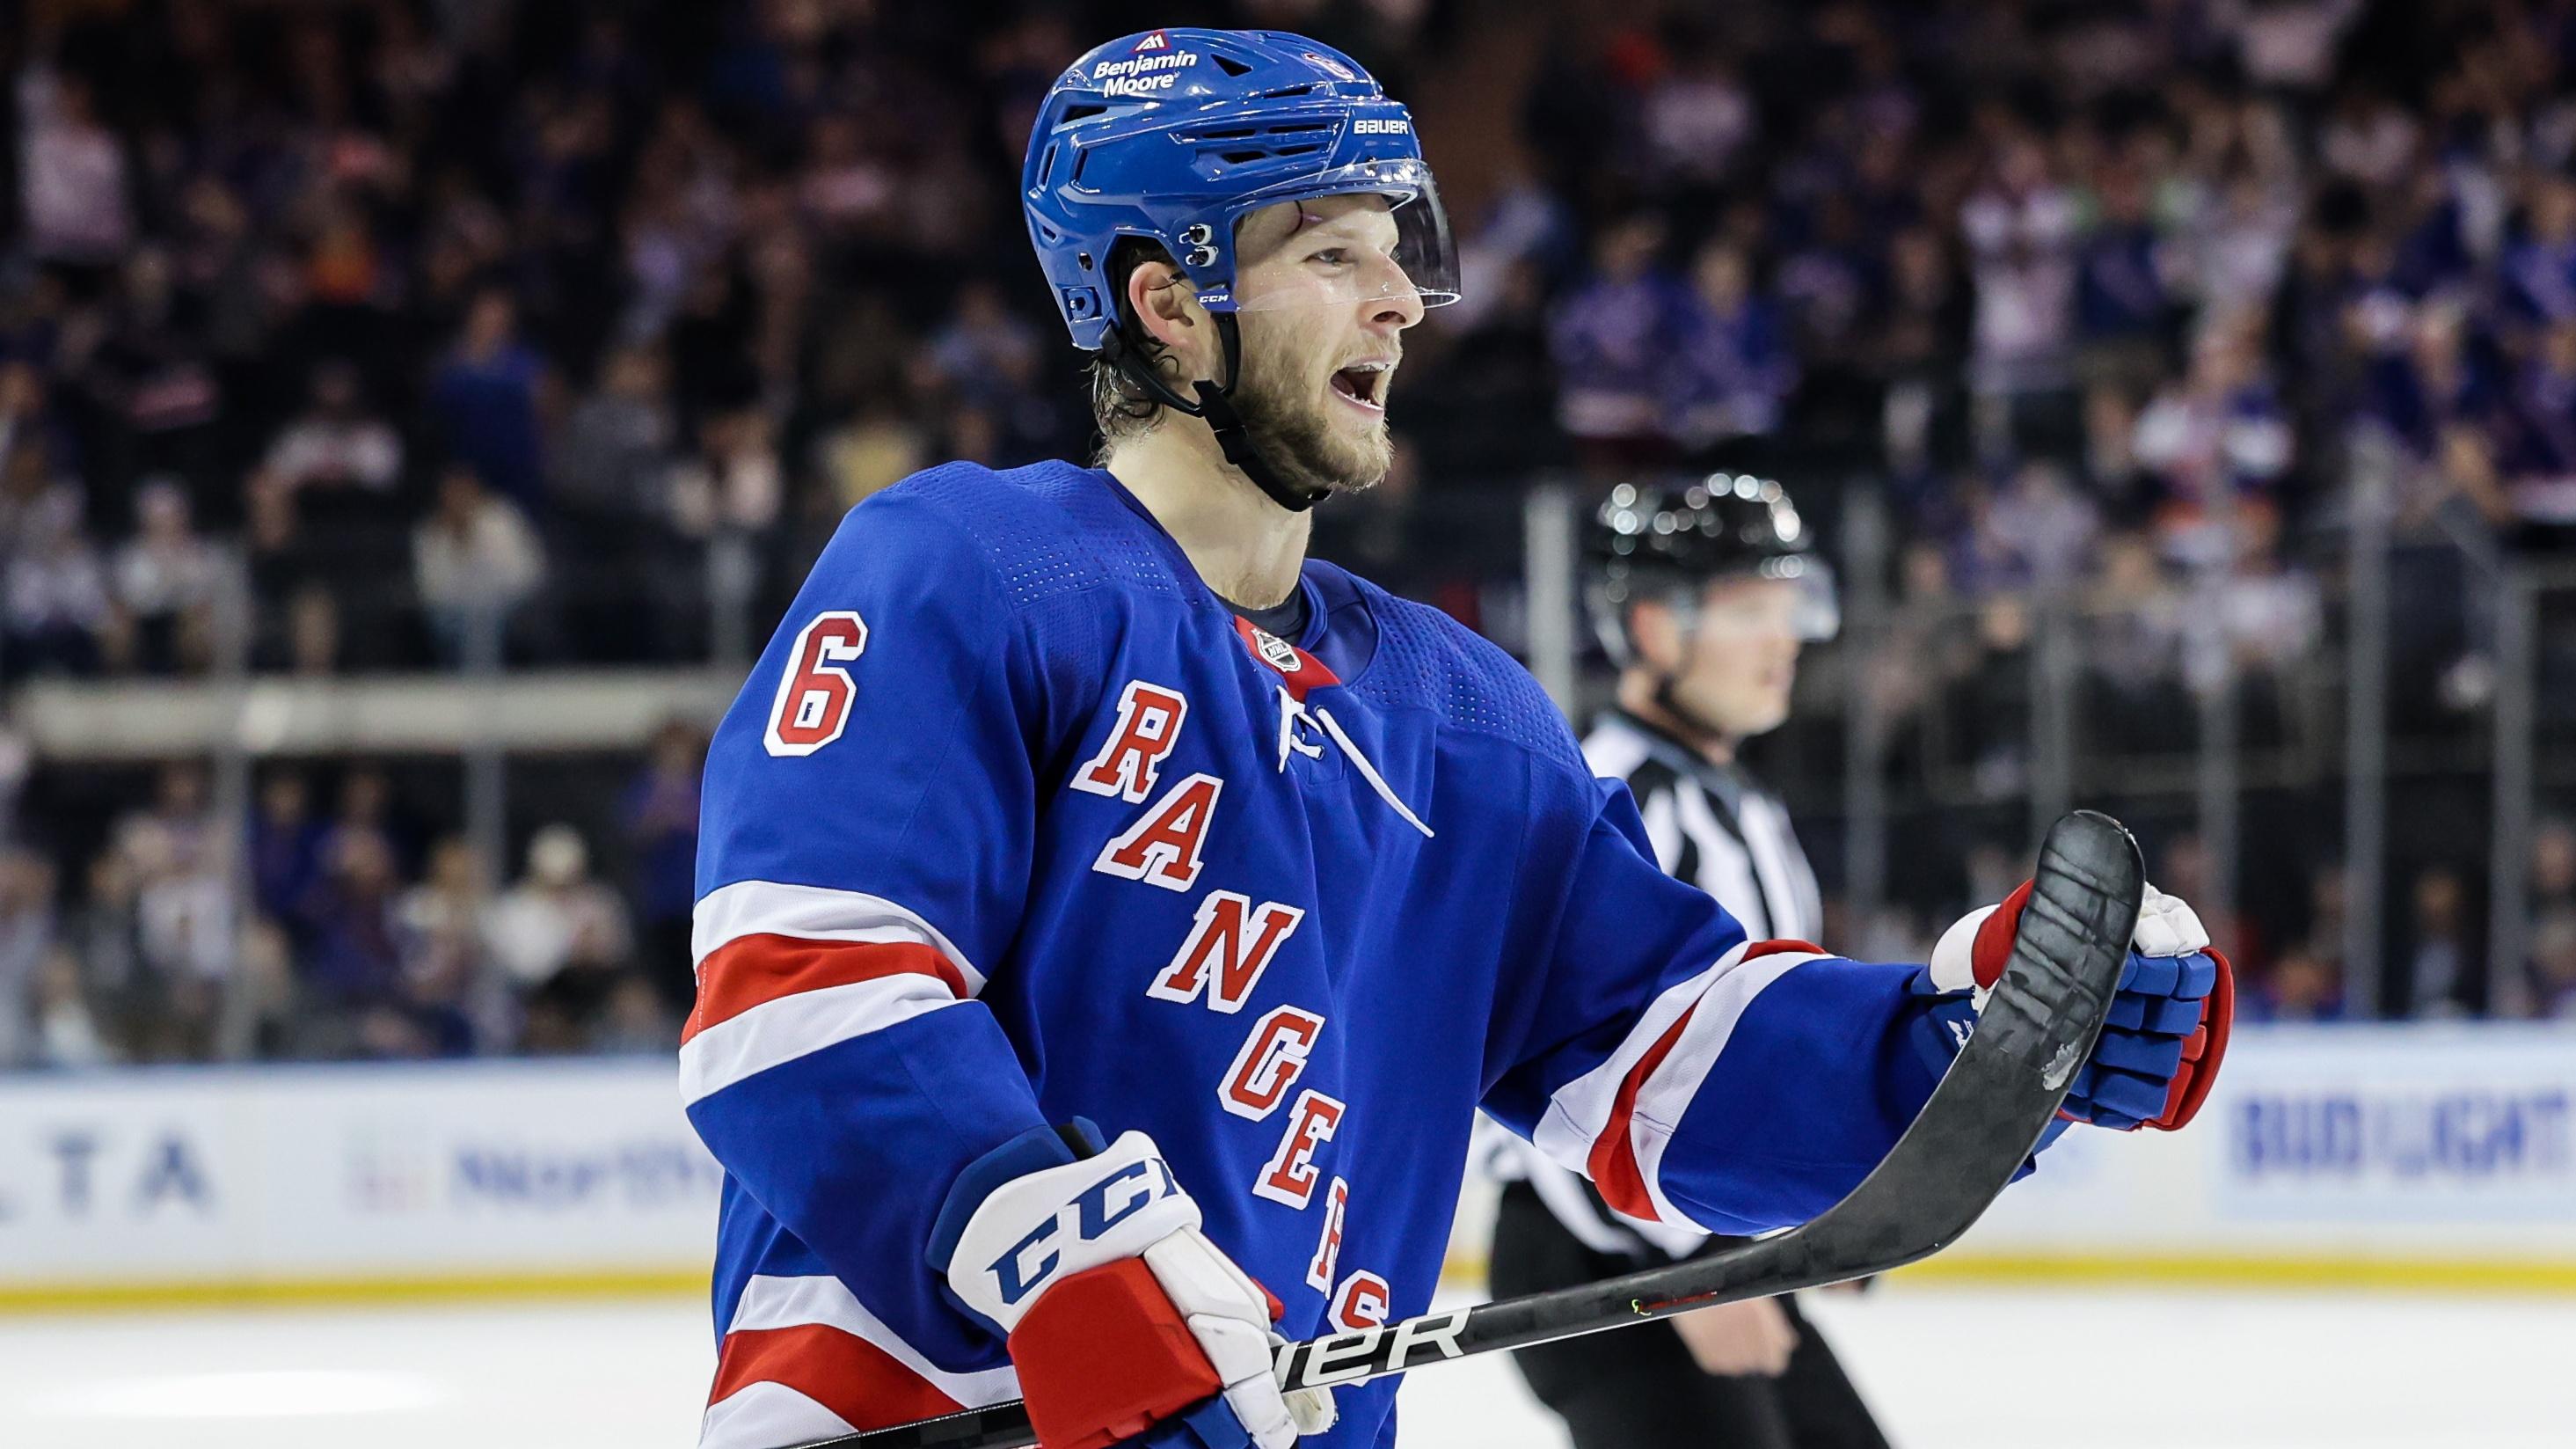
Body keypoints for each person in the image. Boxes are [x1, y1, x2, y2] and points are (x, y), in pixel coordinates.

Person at [682, 31, 2235, 1449]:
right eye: (1328, 253)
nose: (1398, 301)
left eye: (1397, 254)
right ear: (1166, 305)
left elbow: (1665, 1055)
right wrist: (1042, 1240)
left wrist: (1977, 1045)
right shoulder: (973, 566)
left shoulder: (1460, 717)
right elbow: (802, 990)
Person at [1485, 476, 1888, 1449]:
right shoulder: (1619, 803)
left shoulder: (1739, 802)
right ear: (1655, 630)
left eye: (1791, 606)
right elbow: (1569, 1072)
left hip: (1692, 1250)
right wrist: (1693, 1277)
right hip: (1604, 1257)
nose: (1782, 638)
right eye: (1748, 608)